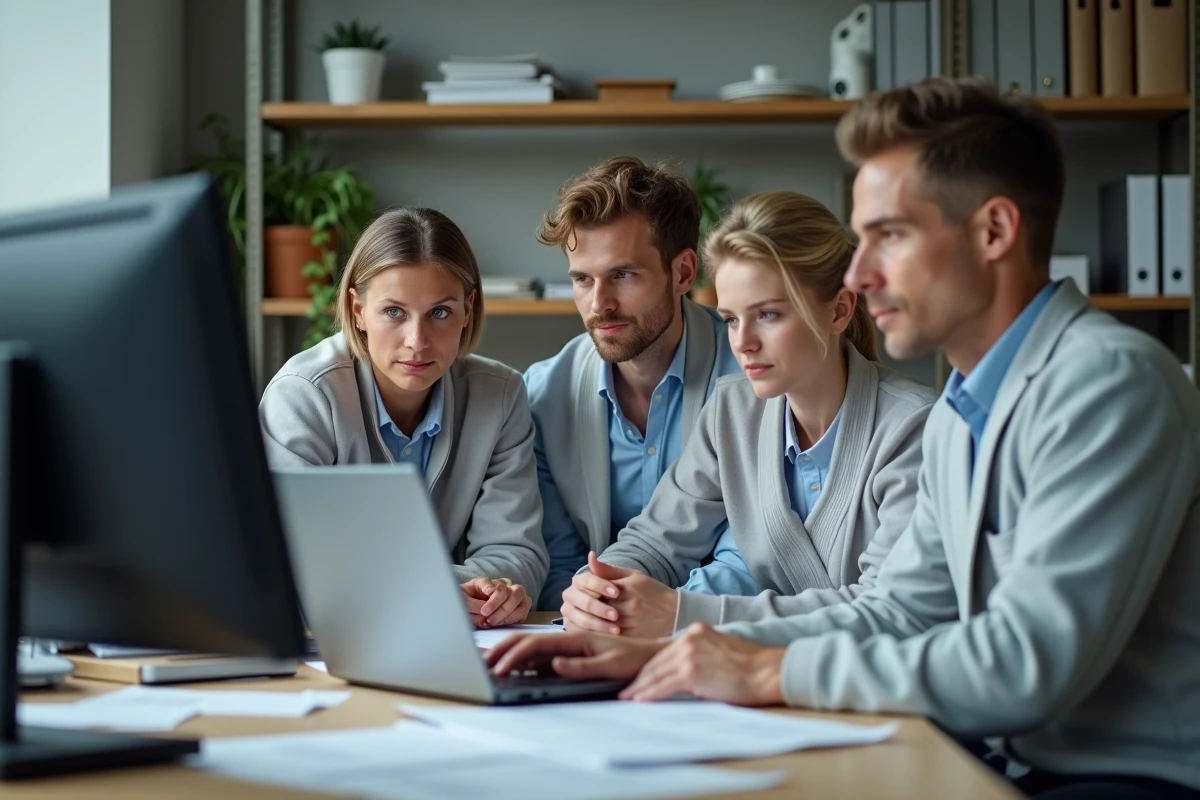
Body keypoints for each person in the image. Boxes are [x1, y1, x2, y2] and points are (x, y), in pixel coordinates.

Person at [488, 77, 1200, 800]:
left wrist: (761, 666)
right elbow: (898, 613)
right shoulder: (967, 405)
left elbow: (1025, 665)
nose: (858, 272)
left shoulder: (1107, 383)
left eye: (890, 234)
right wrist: (654, 648)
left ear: (993, 231)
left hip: (1121, 777)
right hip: (996, 757)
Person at [559, 190, 937, 638]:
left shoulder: (916, 428)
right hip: (751, 688)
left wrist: (686, 613)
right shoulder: (732, 411)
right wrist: (601, 589)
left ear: (838, 310)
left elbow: (889, 611)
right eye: (732, 319)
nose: (743, 342)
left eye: (769, 315)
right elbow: (658, 540)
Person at [259, 207, 548, 628]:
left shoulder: (499, 395)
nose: (417, 341)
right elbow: (290, 564)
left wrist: (493, 594)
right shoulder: (304, 396)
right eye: (394, 312)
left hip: (457, 642)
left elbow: (518, 553)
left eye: (441, 312)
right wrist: (444, 593)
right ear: (358, 311)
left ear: (468, 309)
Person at [524, 156, 740, 610]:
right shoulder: (543, 396)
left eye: (622, 275)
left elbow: (751, 556)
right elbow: (556, 564)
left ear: (683, 273)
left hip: (720, 632)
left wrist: (658, 615)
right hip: (594, 635)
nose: (599, 304)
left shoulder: (749, 378)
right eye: (583, 279)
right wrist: (596, 611)